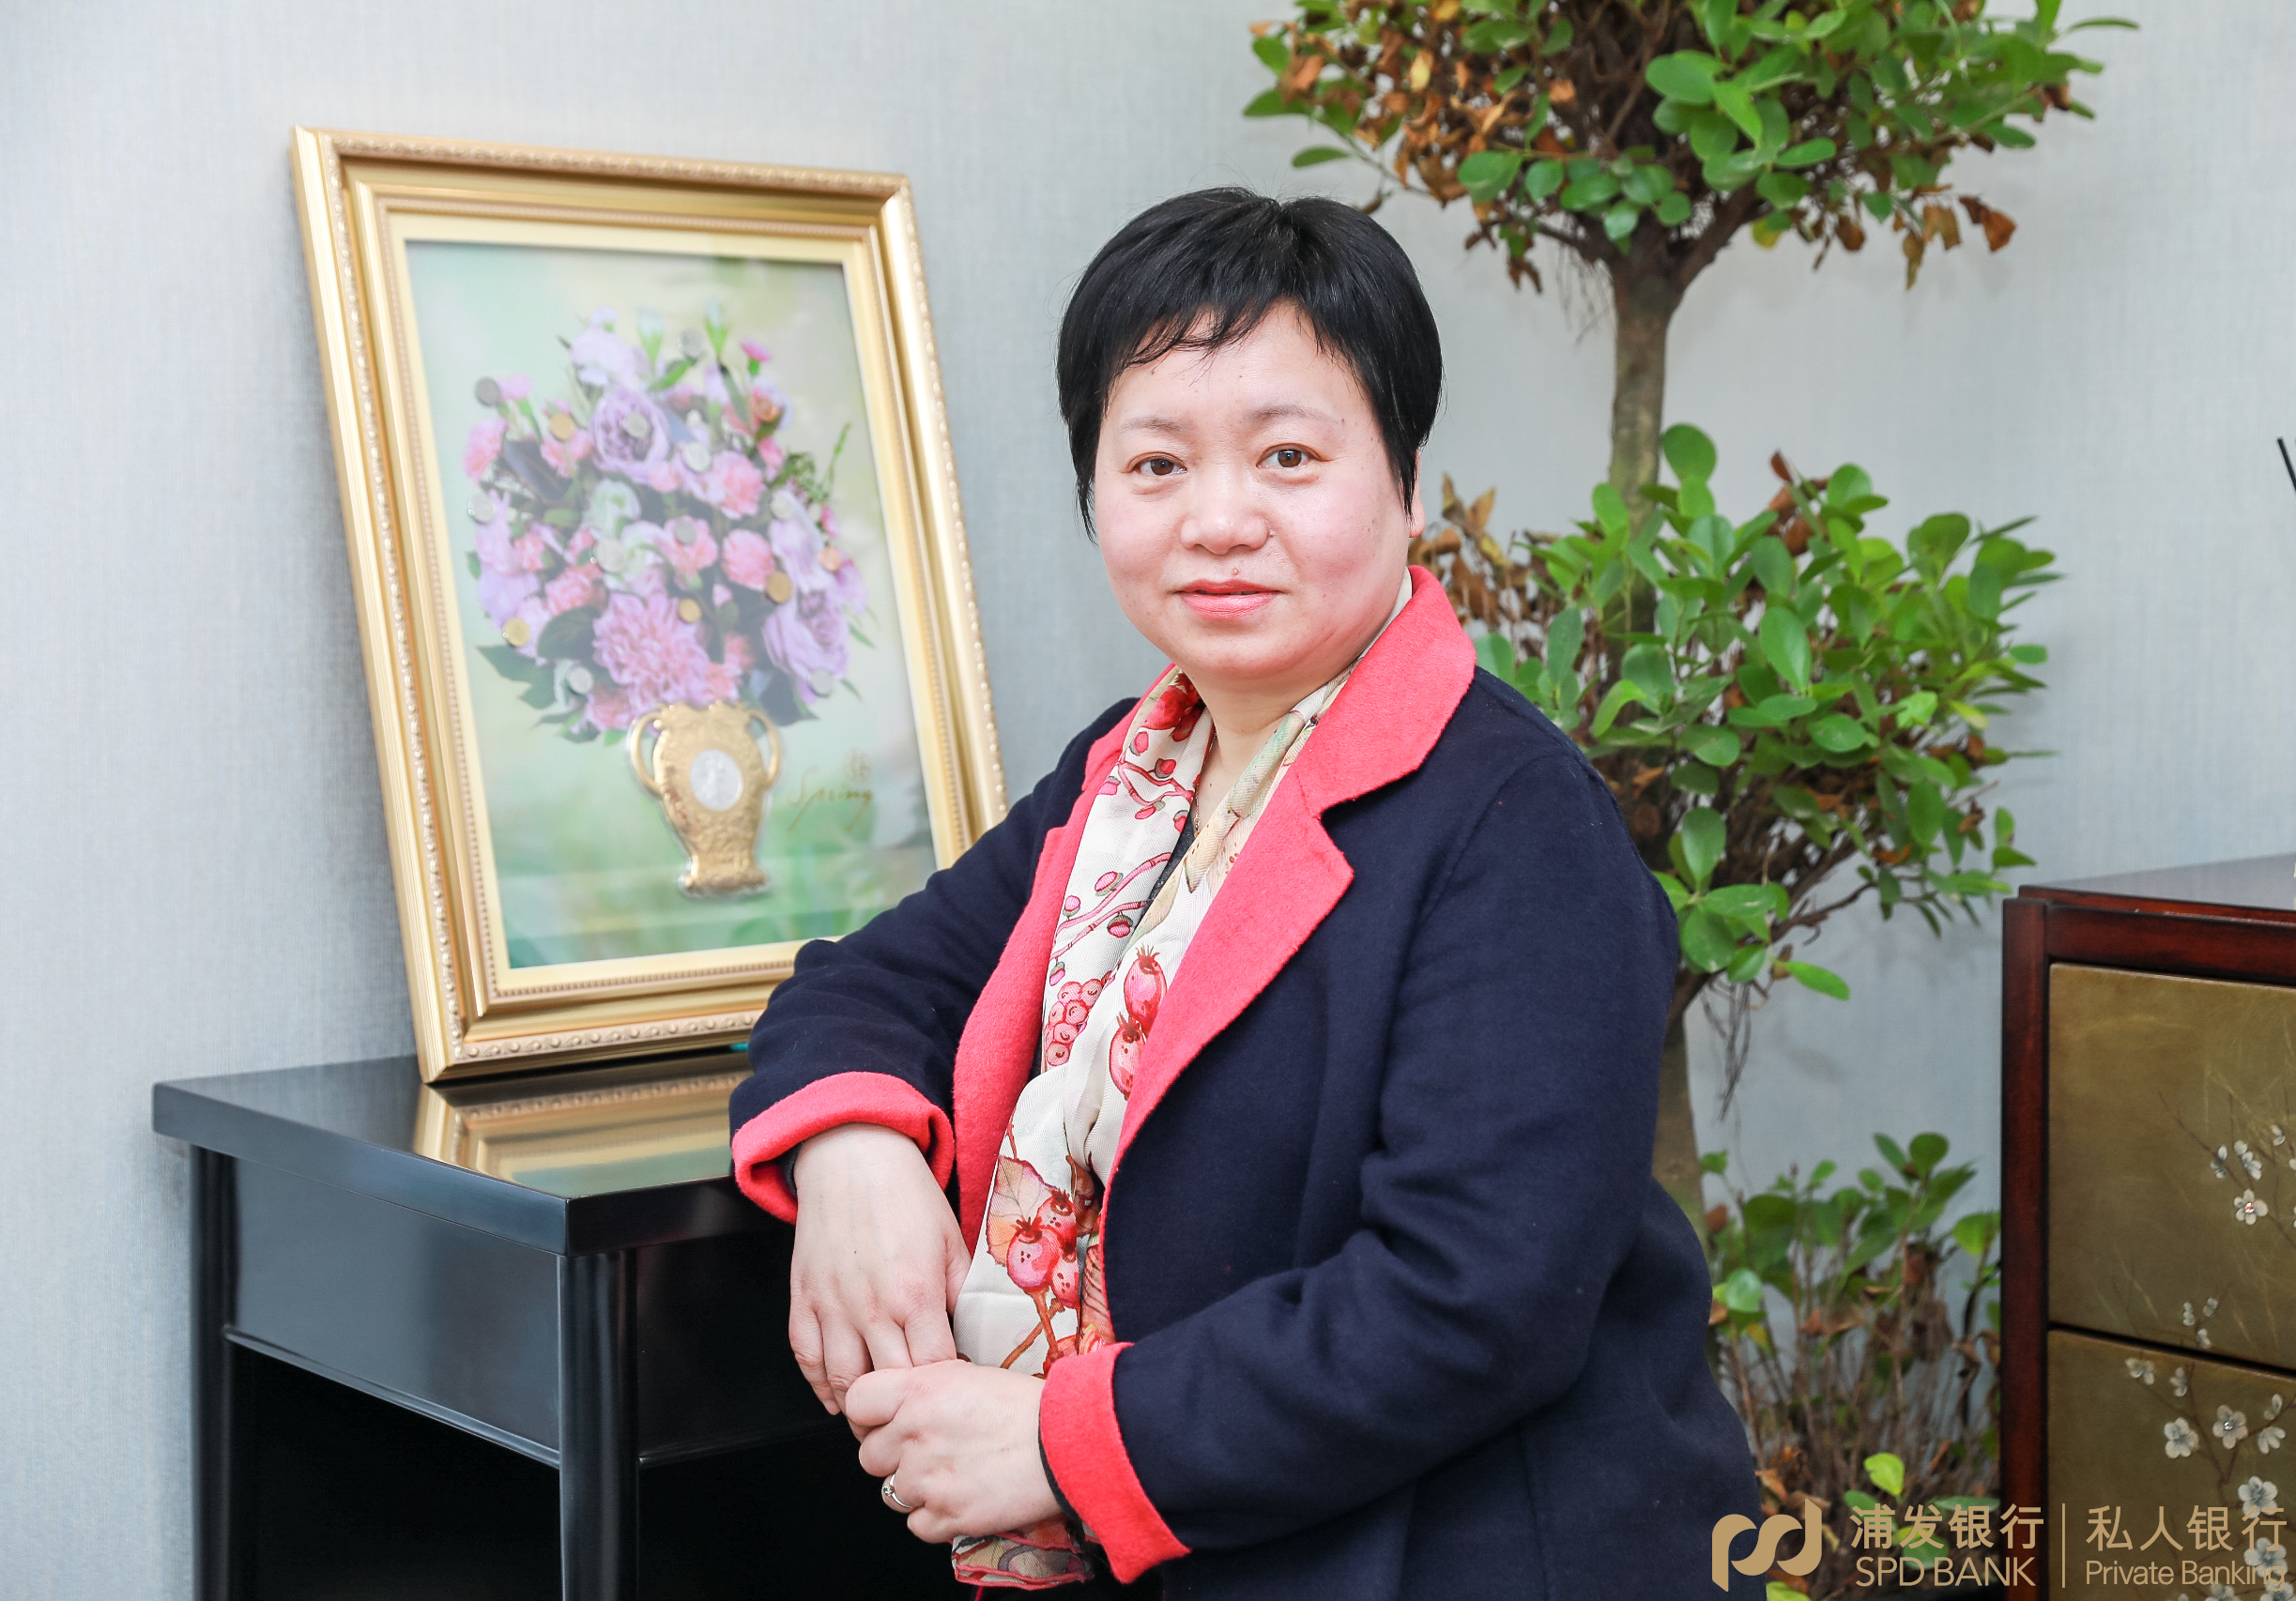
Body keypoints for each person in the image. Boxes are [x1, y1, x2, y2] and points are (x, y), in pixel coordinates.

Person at [728, 188, 1758, 1598]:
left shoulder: (1518, 823)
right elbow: (871, 976)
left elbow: (1470, 1301)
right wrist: (855, 1155)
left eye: (1287, 457)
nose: (1218, 520)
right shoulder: (1138, 766)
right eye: (1155, 464)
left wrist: (1060, 1444)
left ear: (1404, 481)